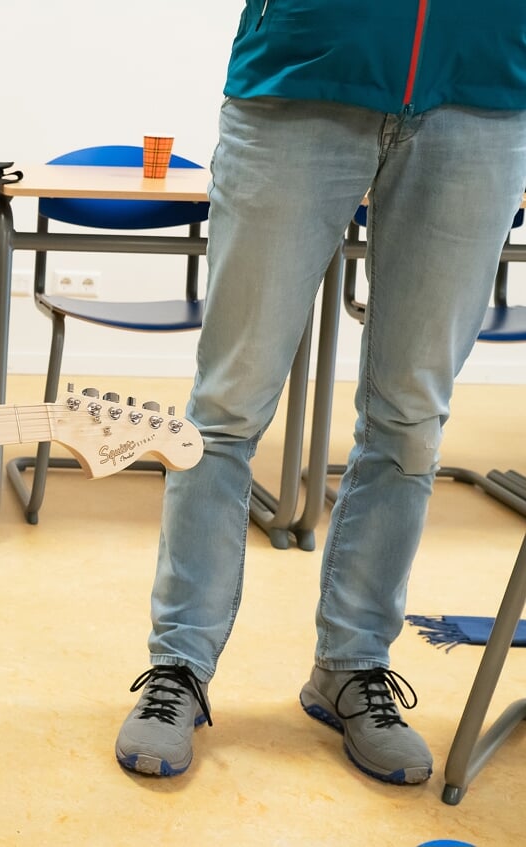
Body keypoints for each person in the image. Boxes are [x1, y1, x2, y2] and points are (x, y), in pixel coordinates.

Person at [115, 1, 526, 785]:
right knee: (227, 406)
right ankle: (178, 667)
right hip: (300, 80)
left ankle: (351, 666)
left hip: (482, 96)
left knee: (409, 417)